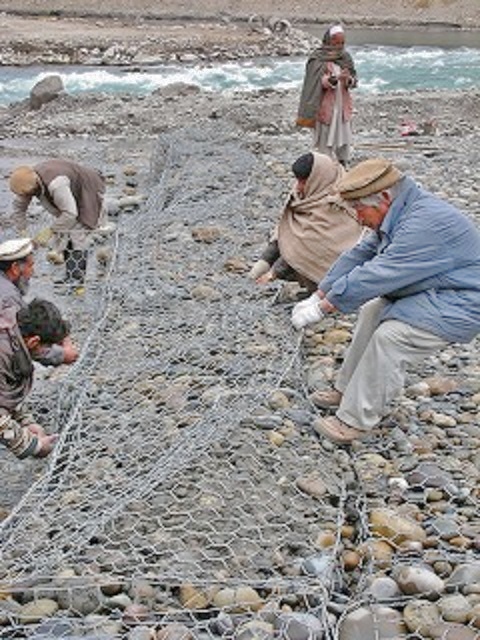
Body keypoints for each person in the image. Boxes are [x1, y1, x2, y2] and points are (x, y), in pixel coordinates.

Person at [291, 158, 480, 444]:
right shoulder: (400, 211)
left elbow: (379, 273)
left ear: (383, 198)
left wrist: (323, 308)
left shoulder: (424, 223)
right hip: (437, 290)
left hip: (464, 302)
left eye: (358, 209)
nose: (357, 218)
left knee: (392, 338)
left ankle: (355, 420)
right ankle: (347, 391)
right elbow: (359, 255)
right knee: (373, 309)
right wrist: (320, 293)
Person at [249, 152, 362, 291]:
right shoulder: (309, 192)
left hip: (335, 272)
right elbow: (287, 230)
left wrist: (273, 273)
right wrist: (264, 261)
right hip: (307, 257)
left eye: (303, 182)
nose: (298, 187)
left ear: (316, 179)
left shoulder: (338, 202)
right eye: (297, 181)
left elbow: (308, 244)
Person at [9, 158, 107, 291]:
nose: (28, 196)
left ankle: (77, 284)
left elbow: (70, 213)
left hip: (87, 189)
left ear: (35, 185)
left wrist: (50, 231)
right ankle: (70, 277)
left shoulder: (56, 184)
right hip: (70, 195)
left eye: (30, 194)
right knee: (66, 234)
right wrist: (22, 231)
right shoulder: (27, 182)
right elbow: (19, 207)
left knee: (77, 235)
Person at [0, 298, 71, 459]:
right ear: (33, 341)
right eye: (47, 348)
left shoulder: (10, 330)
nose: (48, 354)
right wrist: (34, 446)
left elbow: (4, 393)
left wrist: (26, 422)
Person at [0, 238, 78, 366]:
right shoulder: (8, 298)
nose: (33, 272)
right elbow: (19, 341)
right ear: (14, 268)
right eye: (30, 266)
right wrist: (62, 354)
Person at [296, 24, 357, 167]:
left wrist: (348, 79)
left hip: (342, 104)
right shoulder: (318, 58)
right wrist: (333, 80)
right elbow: (316, 82)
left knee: (343, 134)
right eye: (336, 43)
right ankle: (325, 165)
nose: (340, 46)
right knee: (325, 135)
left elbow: (354, 80)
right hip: (325, 104)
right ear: (329, 42)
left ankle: (343, 161)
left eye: (342, 43)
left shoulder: (345, 57)